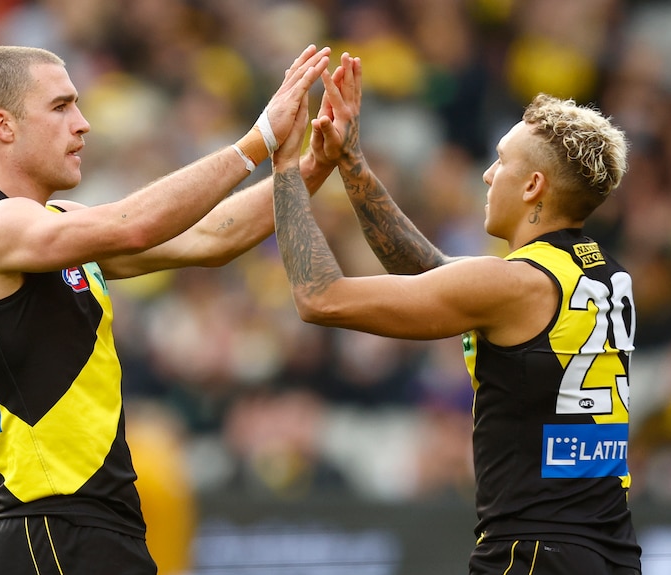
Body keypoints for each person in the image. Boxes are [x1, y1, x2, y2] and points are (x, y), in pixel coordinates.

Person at [0, 44, 331, 575]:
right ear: (3, 126)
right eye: (60, 107)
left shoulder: (60, 225)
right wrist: (256, 141)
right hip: (51, 529)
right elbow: (134, 224)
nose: (83, 124)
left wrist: (316, 163)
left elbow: (210, 240)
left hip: (102, 529)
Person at [271, 53, 641, 574]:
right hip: (610, 551)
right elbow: (436, 273)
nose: (488, 176)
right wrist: (352, 164)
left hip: (531, 551)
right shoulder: (603, 275)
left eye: (501, 162)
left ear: (533, 185)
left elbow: (319, 297)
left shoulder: (512, 283)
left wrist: (287, 170)